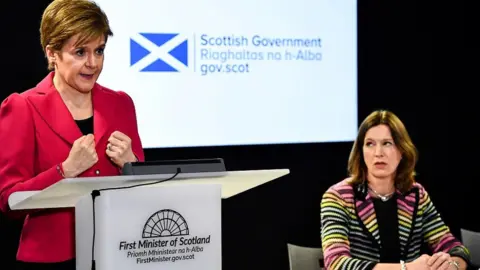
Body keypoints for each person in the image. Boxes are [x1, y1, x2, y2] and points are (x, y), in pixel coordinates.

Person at [0, 0, 145, 269]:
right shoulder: (23, 107)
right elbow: (9, 200)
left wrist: (131, 164)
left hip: (116, 252)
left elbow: (142, 188)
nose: (93, 63)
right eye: (80, 52)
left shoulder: (121, 104)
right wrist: (64, 171)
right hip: (52, 260)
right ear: (52, 53)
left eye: (99, 51)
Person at [320, 110, 471, 270]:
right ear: (361, 152)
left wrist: (451, 265)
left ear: (402, 151)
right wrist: (406, 268)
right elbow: (336, 263)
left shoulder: (415, 194)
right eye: (370, 144)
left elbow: (455, 248)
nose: (378, 153)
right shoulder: (338, 197)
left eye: (387, 143)